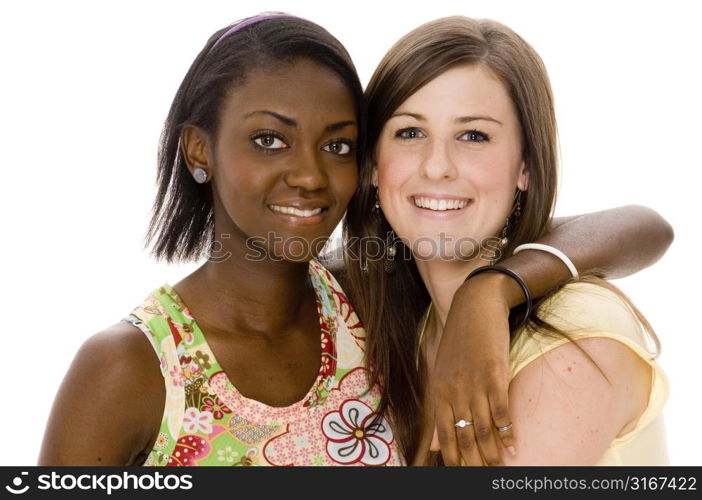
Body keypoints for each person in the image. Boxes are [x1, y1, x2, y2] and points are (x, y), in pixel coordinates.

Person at [38, 13, 672, 467]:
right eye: (269, 139)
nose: (310, 174)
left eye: (337, 145)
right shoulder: (130, 367)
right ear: (200, 149)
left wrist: (489, 292)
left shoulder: (362, 305)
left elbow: (644, 226)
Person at [345, 15, 669, 465]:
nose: (437, 166)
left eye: (473, 135)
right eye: (410, 132)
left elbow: (650, 224)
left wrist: (489, 289)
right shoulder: (402, 316)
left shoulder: (575, 339)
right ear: (374, 165)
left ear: (526, 168)